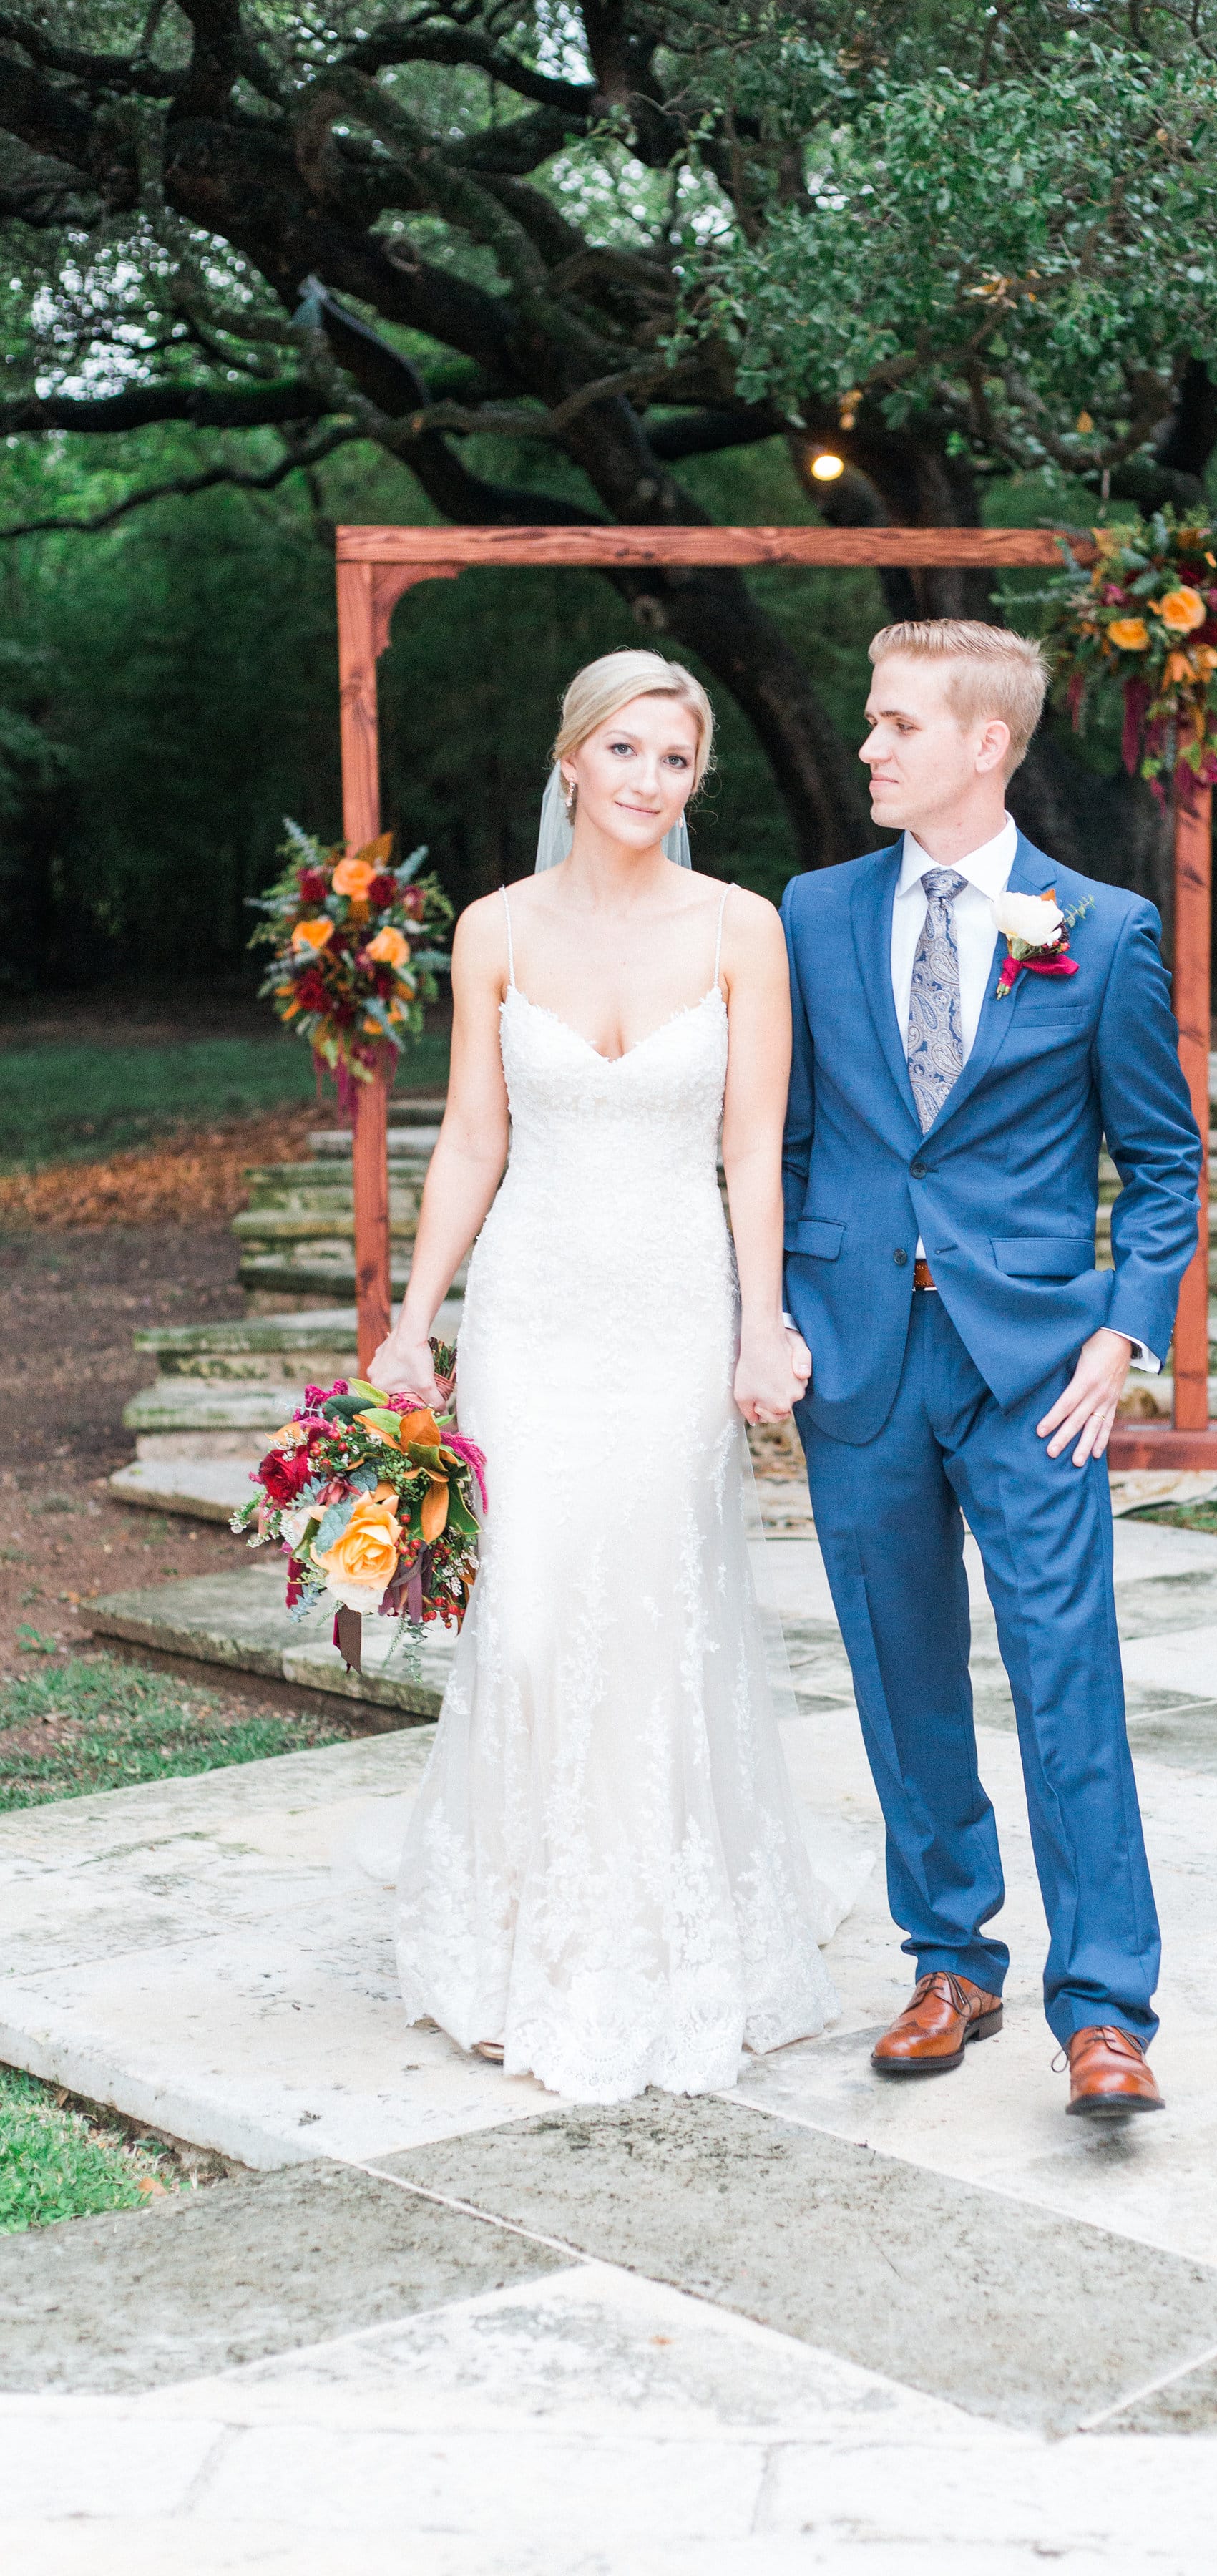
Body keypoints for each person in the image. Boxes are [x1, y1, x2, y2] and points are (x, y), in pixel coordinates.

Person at [368, 648, 839, 2103]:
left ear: (698, 783)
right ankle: (515, 1942)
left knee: (654, 1616)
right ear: (571, 759)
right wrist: (410, 1321)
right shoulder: (495, 930)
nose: (649, 782)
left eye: (676, 761)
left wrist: (765, 1321)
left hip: (671, 1312)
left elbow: (752, 1147)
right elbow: (470, 1140)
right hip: (532, 1311)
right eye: (625, 752)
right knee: (523, 1626)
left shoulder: (740, 929)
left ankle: (657, 1951)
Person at [781, 619, 1203, 2120]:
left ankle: (1105, 2009)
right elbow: (785, 1140)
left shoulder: (1099, 928)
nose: (868, 748)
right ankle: (951, 1959)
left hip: (1039, 1368)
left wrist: (1123, 1331)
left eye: (895, 725)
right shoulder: (813, 913)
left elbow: (1160, 1164)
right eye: (870, 722)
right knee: (900, 1675)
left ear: (985, 744)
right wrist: (774, 1312)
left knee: (1065, 1673)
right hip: (859, 1356)